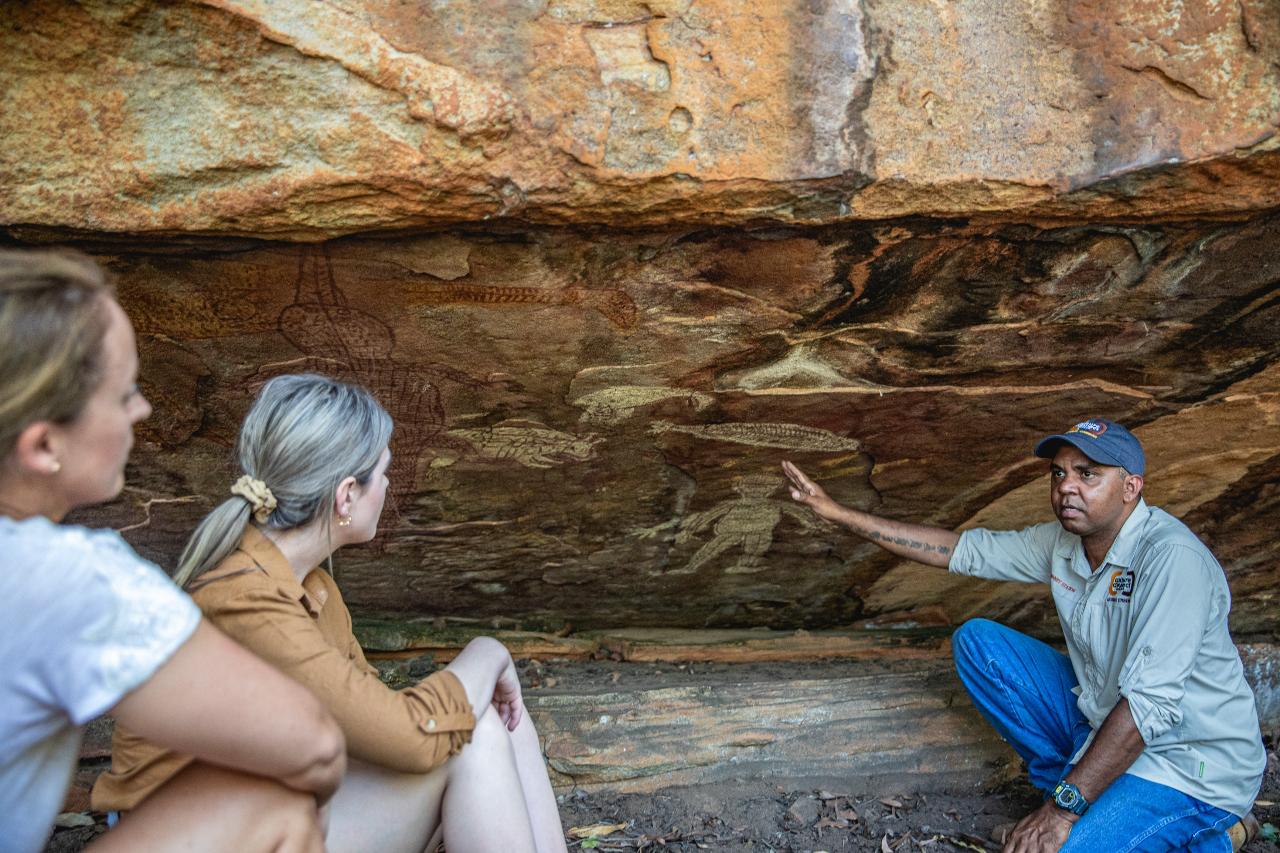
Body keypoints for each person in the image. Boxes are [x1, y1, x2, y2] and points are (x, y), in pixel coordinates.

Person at [94, 373, 569, 853]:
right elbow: (411, 737)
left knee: (487, 719)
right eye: (383, 472)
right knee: (472, 733)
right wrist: (486, 653)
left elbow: (369, 726)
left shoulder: (313, 587)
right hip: (189, 836)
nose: (388, 485)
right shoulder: (242, 599)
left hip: (267, 814)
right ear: (345, 496)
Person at [783, 417, 1264, 853]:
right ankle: (1088, 796)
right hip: (1106, 728)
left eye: (1088, 474)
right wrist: (839, 513)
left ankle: (1206, 831)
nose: (1067, 488)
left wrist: (1060, 812)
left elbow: (1146, 709)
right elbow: (960, 551)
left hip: (1189, 765)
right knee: (979, 644)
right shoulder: (1065, 542)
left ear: (1131, 487)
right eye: (1059, 473)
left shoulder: (1171, 559)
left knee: (1062, 847)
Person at [0, 250, 347, 853]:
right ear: (43, 443)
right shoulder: (61, 577)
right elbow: (314, 745)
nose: (144, 409)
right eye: (124, 392)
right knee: (272, 803)